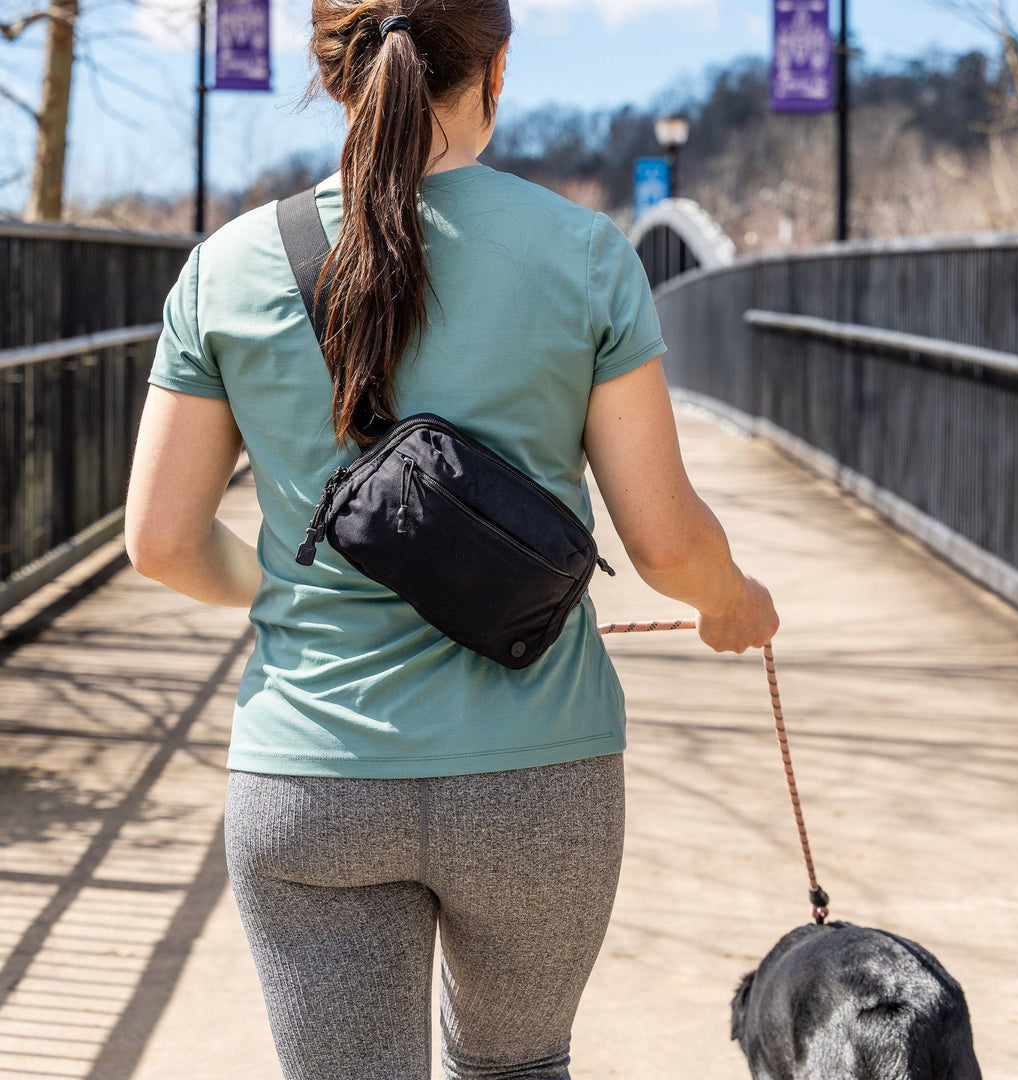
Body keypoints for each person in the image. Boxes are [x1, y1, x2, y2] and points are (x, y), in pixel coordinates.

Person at [124, 2, 779, 1077]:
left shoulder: (230, 267)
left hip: (311, 778)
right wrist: (730, 602)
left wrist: (276, 590)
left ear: (331, 72)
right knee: (517, 1066)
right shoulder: (584, 252)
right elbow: (662, 541)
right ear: (498, 68)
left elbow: (157, 540)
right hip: (540, 777)